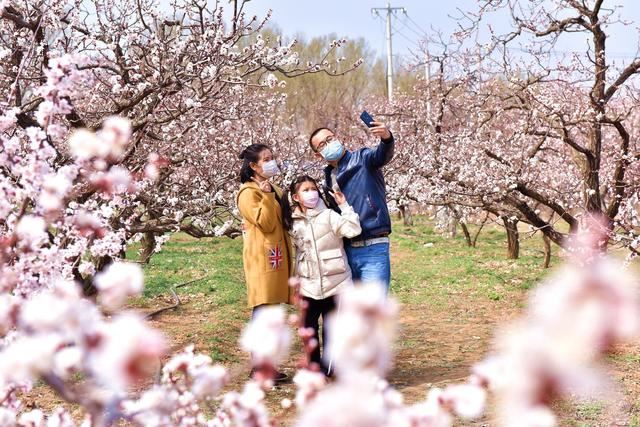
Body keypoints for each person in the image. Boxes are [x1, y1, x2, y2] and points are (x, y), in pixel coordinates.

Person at [281, 175, 361, 376]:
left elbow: (353, 229)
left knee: (332, 330)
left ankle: (329, 369)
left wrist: (344, 207)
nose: (312, 193)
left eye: (313, 188)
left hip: (336, 282)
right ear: (296, 197)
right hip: (308, 283)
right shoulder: (293, 221)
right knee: (308, 329)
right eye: (306, 190)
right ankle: (314, 368)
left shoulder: (329, 215)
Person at [308, 120, 394, 291]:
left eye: (330, 139)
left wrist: (386, 138)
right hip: (346, 251)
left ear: (339, 139)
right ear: (318, 155)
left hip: (373, 246)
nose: (329, 145)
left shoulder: (363, 158)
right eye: (322, 145)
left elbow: (382, 155)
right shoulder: (327, 178)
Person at [236, 144, 292, 380]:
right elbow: (267, 223)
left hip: (275, 257)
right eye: (266, 159)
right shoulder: (249, 193)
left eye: (272, 157)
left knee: (271, 310)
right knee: (264, 308)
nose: (272, 162)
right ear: (253, 166)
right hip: (263, 260)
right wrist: (267, 196)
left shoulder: (271, 187)